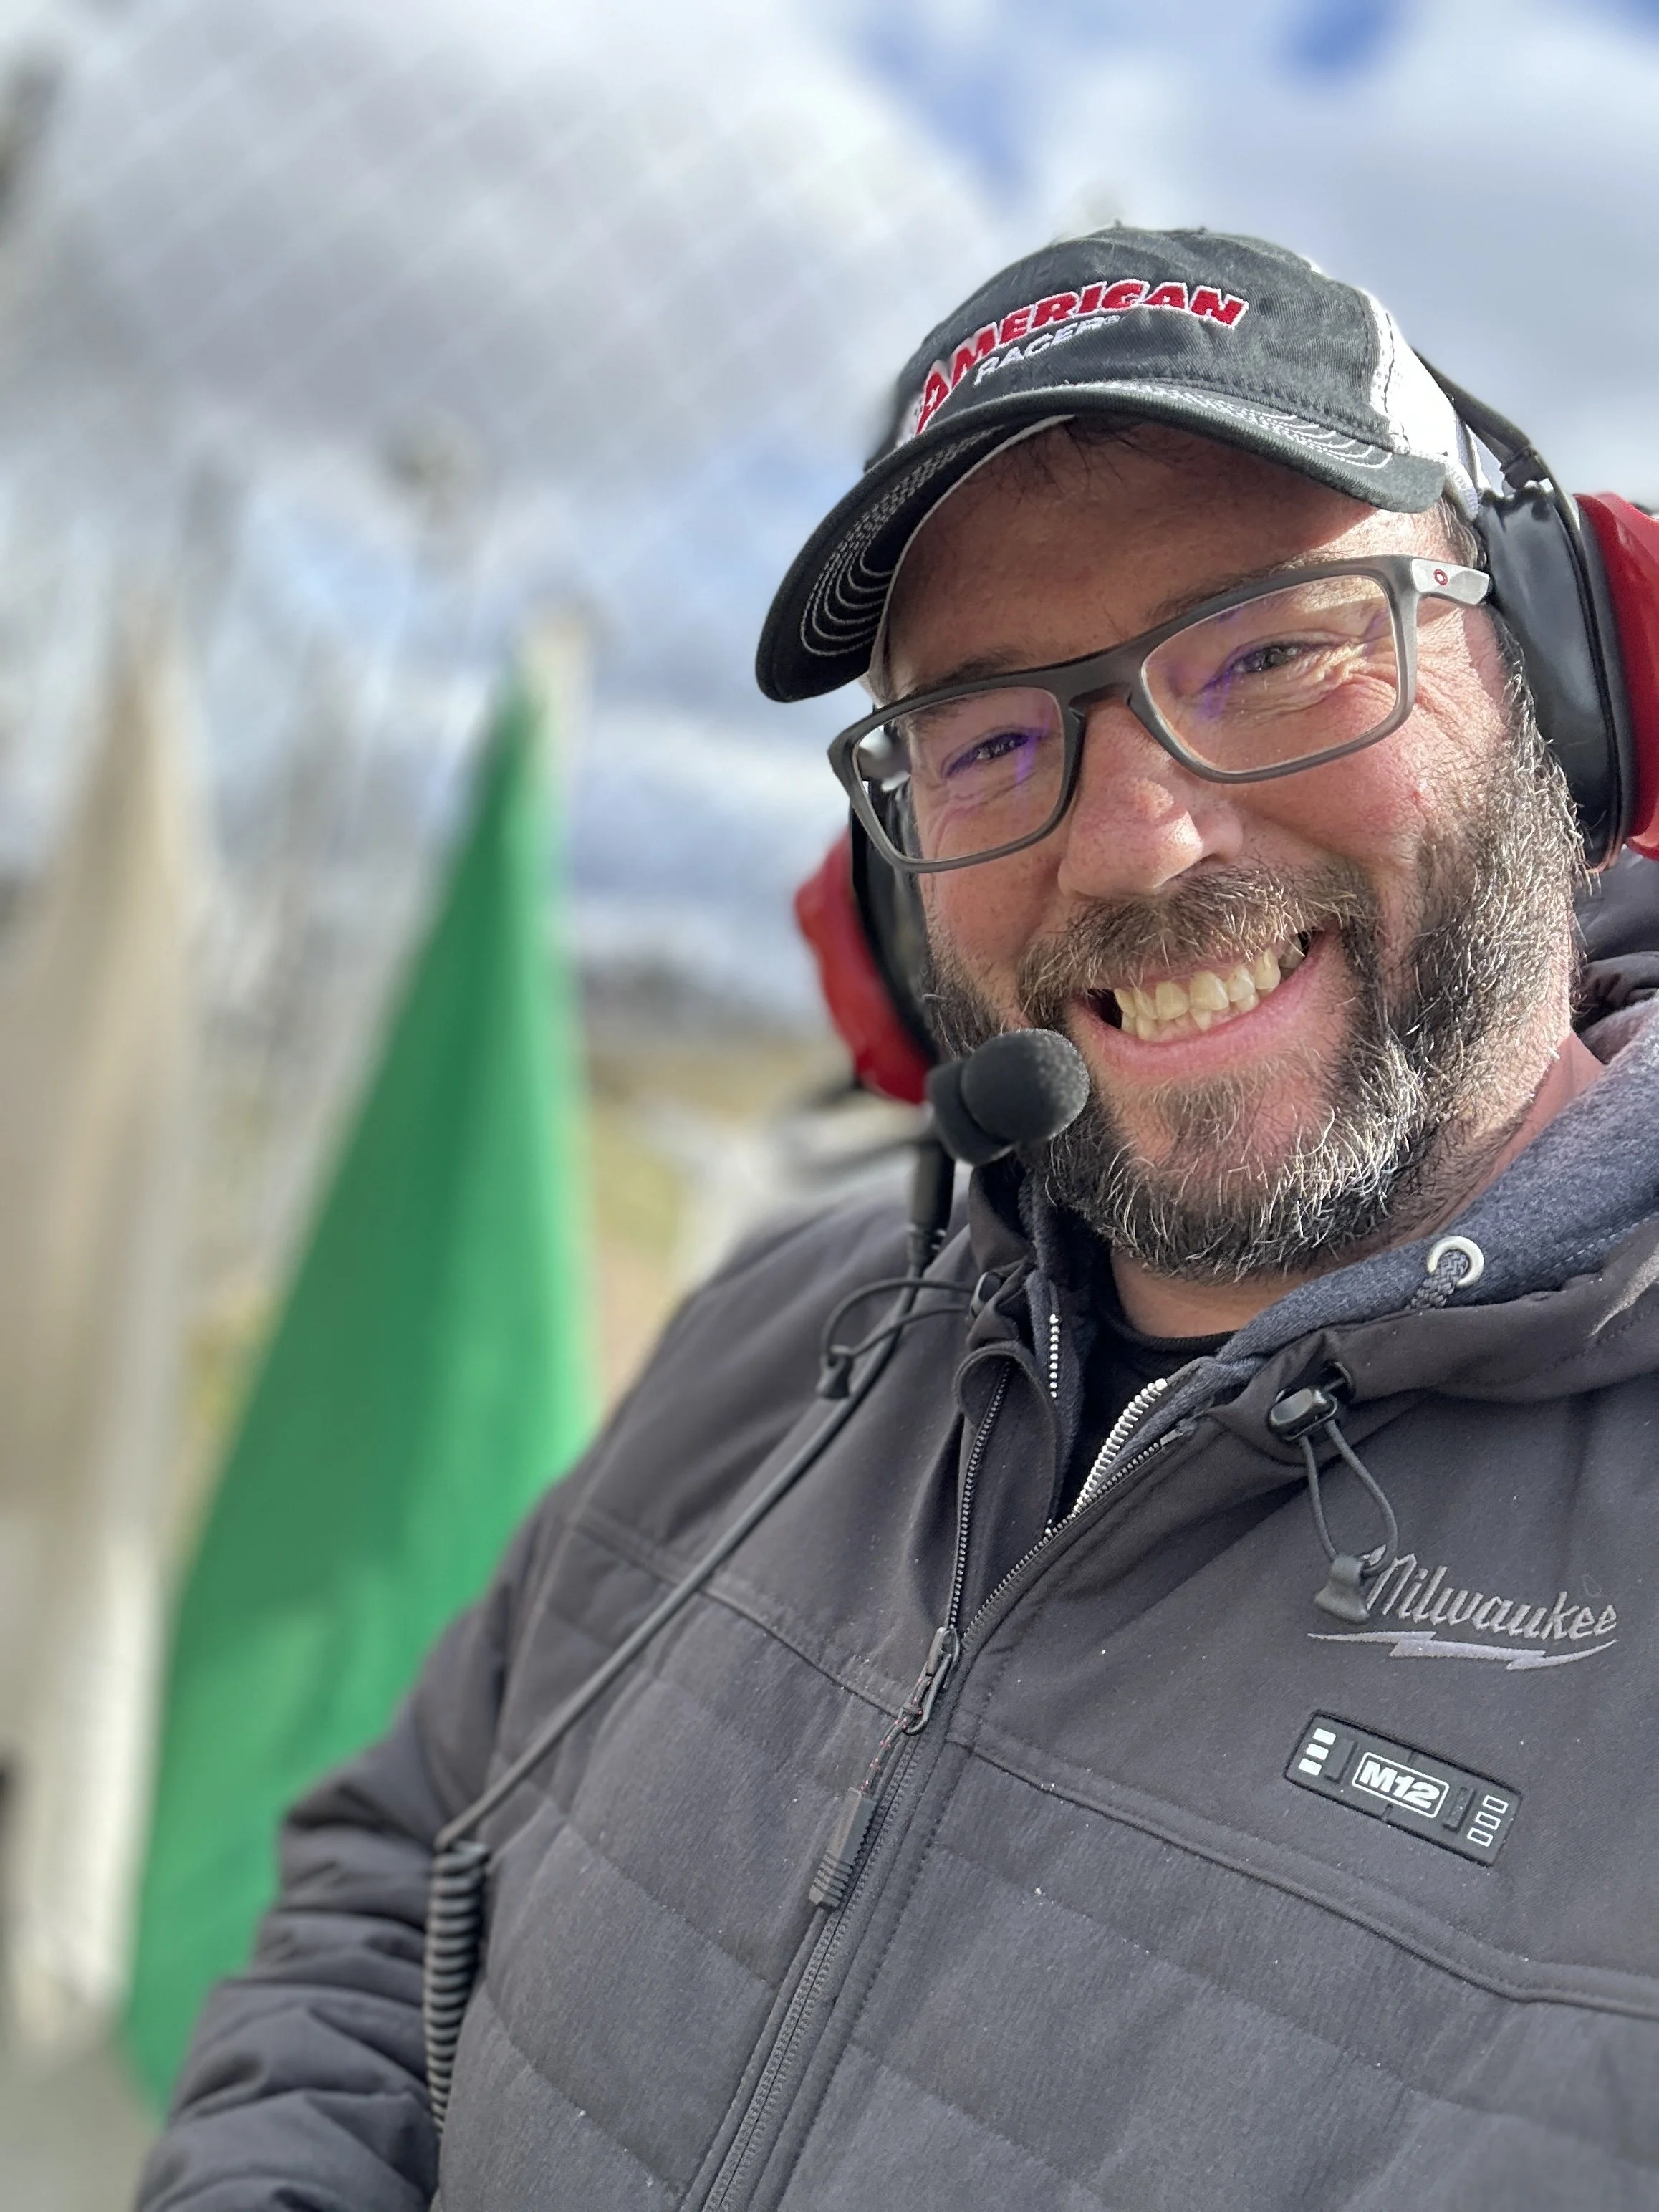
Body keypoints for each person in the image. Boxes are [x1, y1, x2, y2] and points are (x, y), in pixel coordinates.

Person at [139, 230, 1659, 2211]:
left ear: (1557, 686)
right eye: (989, 739)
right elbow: (395, 1863)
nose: (1137, 843)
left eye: (1278, 652)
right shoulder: (778, 1342)